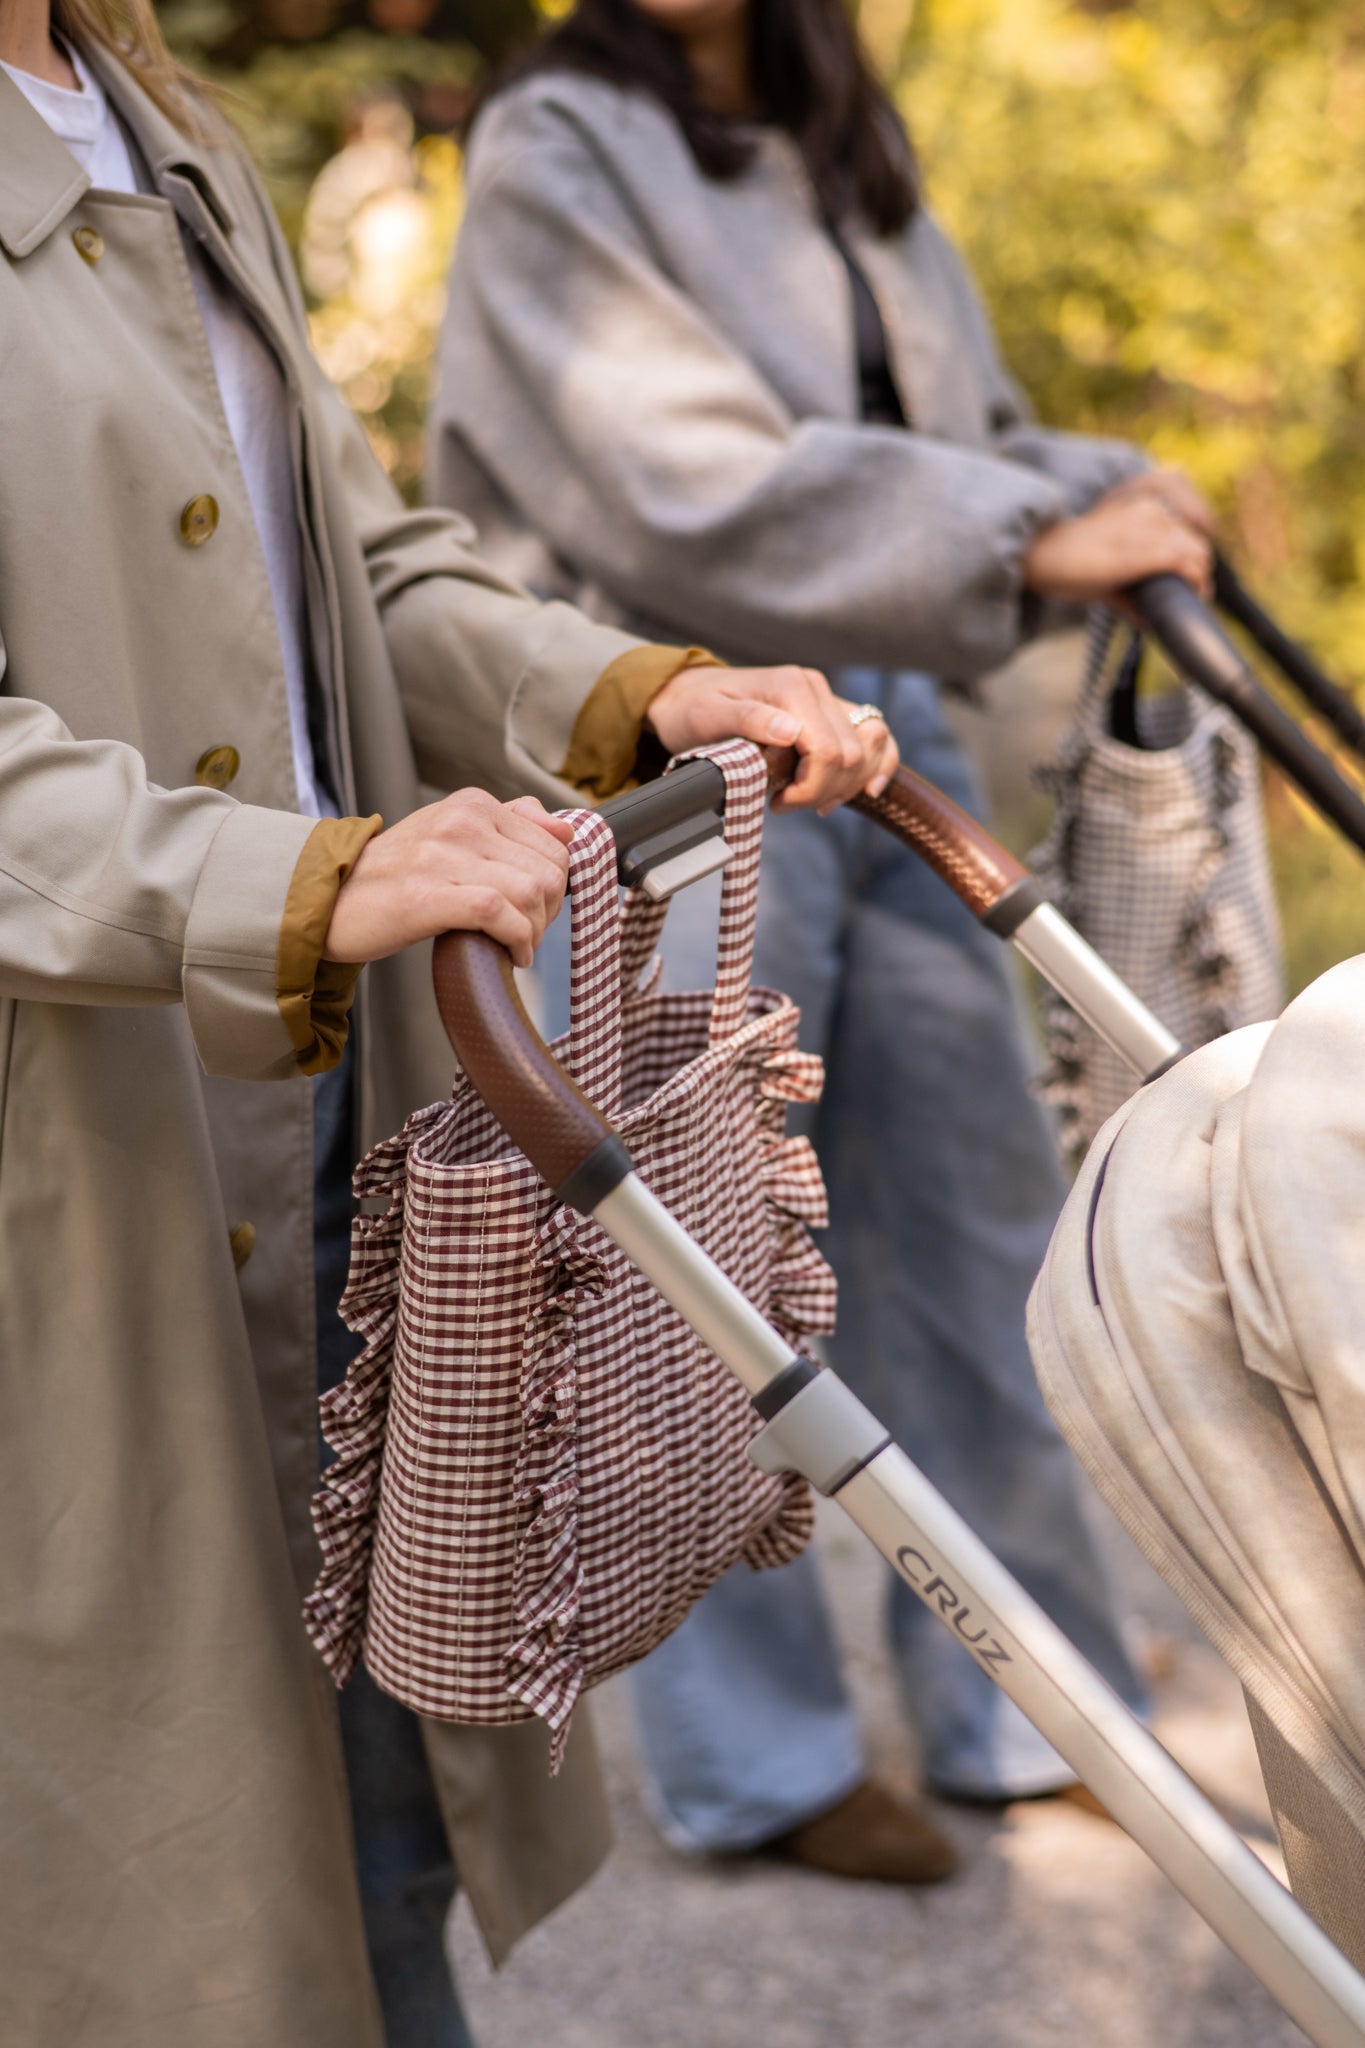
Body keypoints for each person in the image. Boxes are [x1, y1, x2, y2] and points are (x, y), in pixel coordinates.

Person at [0, 4, 898, 2041]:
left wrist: (629, 692)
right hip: (87, 1161)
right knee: (146, 1896)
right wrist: (301, 883)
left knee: (365, 1807)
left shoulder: (154, 127)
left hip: (321, 1114)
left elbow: (360, 563)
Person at [427, 0, 1216, 1885]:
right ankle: (757, 1766)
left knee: (982, 1239)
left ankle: (1033, 1714)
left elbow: (947, 435)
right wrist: (1036, 526)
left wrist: (1099, 479)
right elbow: (676, 473)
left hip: (890, 733)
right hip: (672, 734)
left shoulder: (841, 143)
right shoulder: (552, 142)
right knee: (690, 1267)